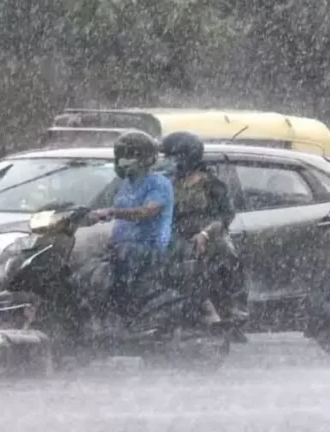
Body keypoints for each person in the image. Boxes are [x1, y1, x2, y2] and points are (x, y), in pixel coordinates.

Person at [159, 131, 246, 328]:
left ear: (187, 157)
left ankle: (232, 304)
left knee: (226, 252)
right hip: (176, 236)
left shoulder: (211, 183)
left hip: (209, 234)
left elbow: (225, 215)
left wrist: (205, 233)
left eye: (173, 157)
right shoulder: (169, 183)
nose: (169, 162)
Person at [87, 131, 174, 320]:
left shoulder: (158, 183)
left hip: (148, 247)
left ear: (144, 158)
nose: (122, 161)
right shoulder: (123, 183)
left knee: (123, 270)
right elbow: (99, 205)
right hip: (120, 245)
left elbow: (147, 211)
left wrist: (112, 212)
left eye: (129, 155)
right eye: (120, 155)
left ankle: (126, 315)